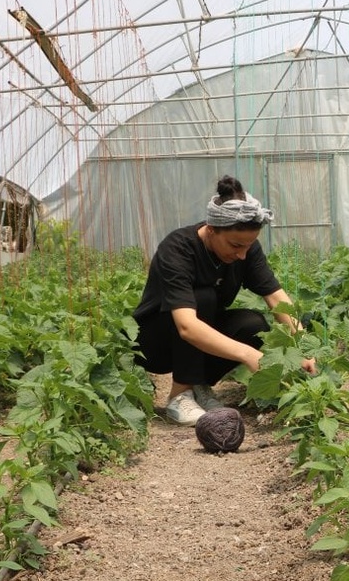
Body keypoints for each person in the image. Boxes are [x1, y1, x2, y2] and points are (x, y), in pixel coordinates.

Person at [132, 175, 316, 425]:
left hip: (196, 339)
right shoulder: (178, 249)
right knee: (203, 297)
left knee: (253, 324)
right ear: (211, 230)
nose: (242, 255)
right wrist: (248, 355)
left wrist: (303, 348)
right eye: (235, 245)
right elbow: (186, 326)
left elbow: (275, 297)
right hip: (155, 343)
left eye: (248, 246)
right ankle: (179, 396)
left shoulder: (246, 249)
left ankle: (200, 386)